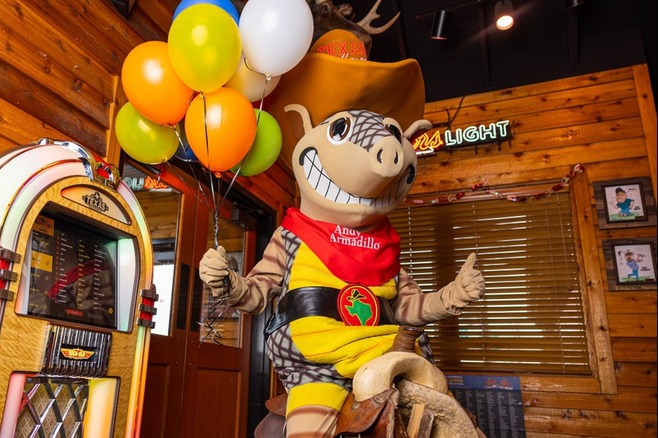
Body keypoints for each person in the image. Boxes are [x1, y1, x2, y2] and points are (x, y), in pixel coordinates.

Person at [199, 29, 485, 437]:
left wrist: (451, 296)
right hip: (316, 371)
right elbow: (257, 293)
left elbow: (409, 308)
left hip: (390, 356)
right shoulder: (291, 236)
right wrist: (227, 282)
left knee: (448, 423)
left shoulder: (385, 246)